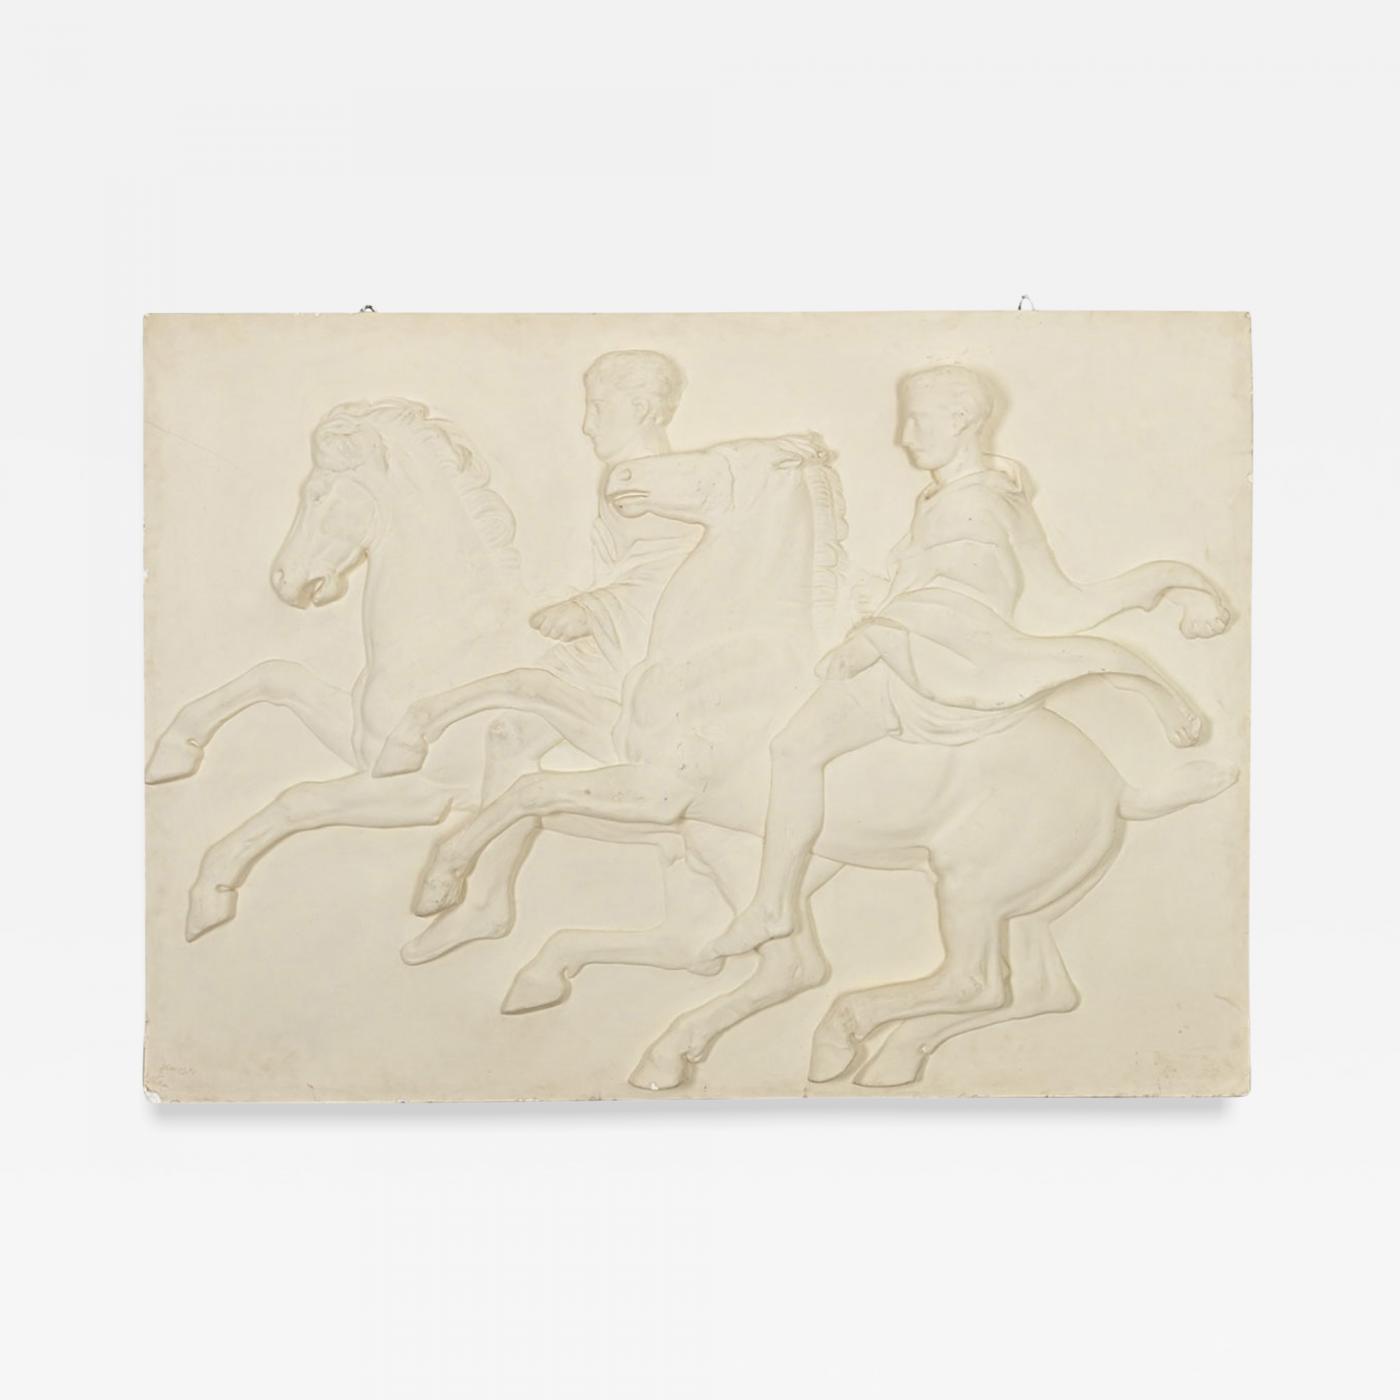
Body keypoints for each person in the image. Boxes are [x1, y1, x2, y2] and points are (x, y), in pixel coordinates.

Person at [707, 363, 1228, 961]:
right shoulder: (962, 496)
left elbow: (964, 594)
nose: (904, 437)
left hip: (936, 663)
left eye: (917, 420)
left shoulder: (971, 503)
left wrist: (877, 635)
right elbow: (1041, 594)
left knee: (794, 747)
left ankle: (773, 905)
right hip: (922, 648)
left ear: (958, 419)